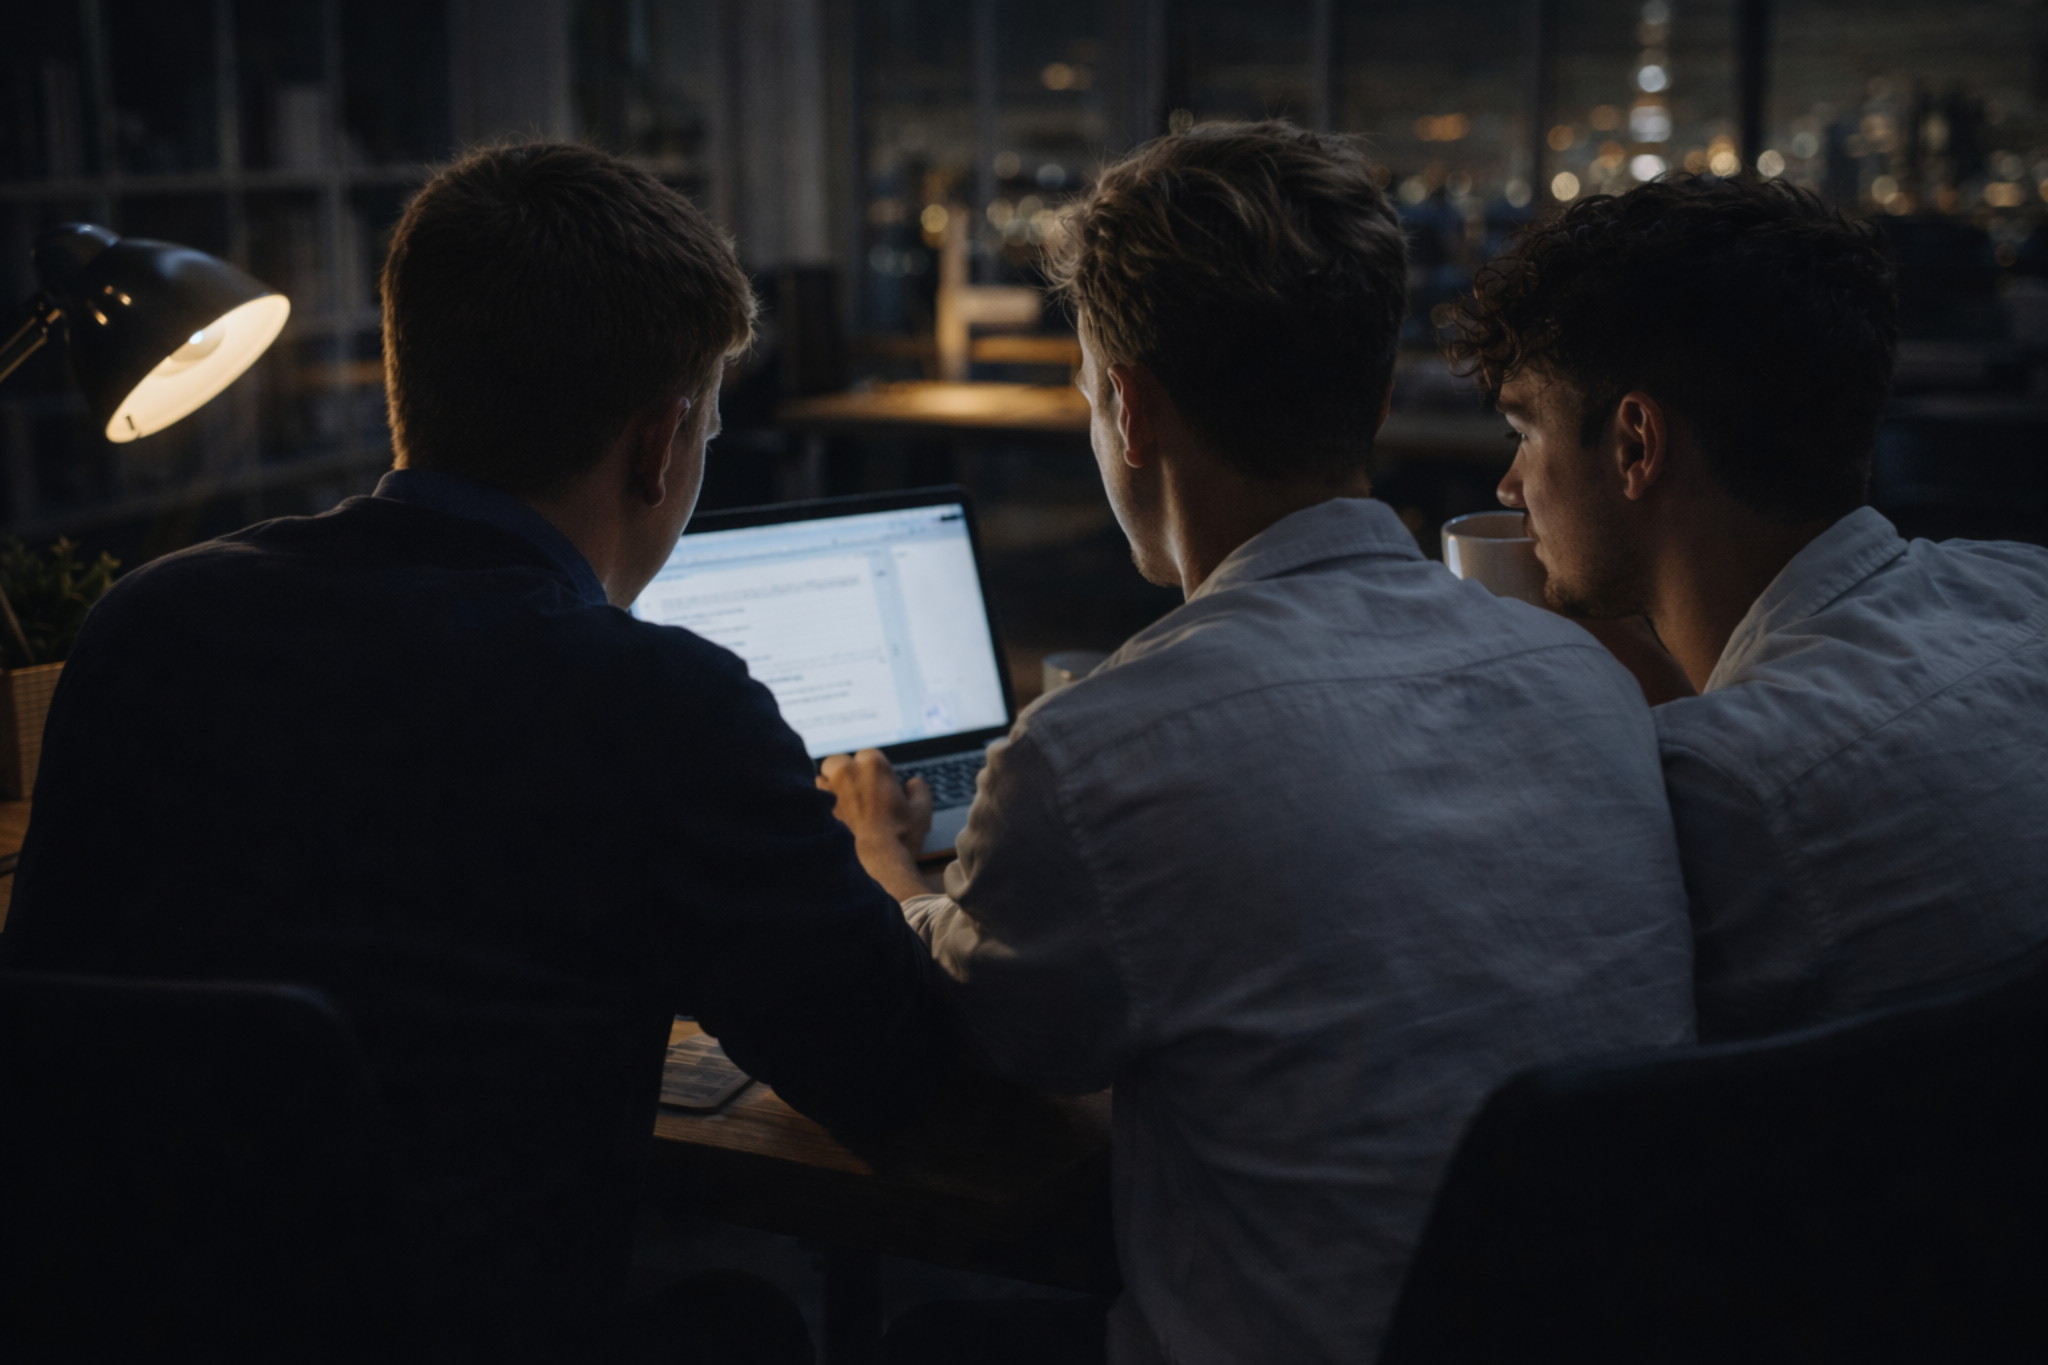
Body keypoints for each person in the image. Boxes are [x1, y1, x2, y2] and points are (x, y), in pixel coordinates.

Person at [0, 144, 953, 1363]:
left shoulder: (148, 624)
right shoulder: (663, 707)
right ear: (661, 447)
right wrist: (882, 866)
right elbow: (898, 1087)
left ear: (413, 384)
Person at [820, 121, 1695, 1365]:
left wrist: (893, 878)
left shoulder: (1096, 756)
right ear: (1376, 397)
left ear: (1124, 408)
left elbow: (993, 1056)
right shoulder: (1584, 682)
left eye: (1082, 387)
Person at [1448, 173, 2048, 1042]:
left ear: (1635, 444)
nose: (1510, 484)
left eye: (1524, 431)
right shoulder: (2025, 584)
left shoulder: (1713, 792)